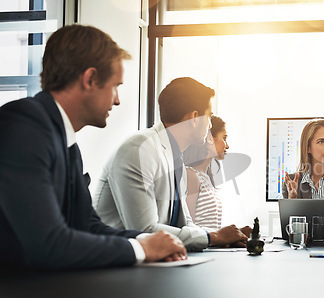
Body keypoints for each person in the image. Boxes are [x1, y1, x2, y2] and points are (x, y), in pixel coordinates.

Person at [0, 25, 186, 270]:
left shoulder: (66, 144)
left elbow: (87, 226)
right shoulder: (24, 125)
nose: (117, 99)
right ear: (89, 79)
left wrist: (146, 240)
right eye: (115, 86)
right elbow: (47, 244)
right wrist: (142, 250)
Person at [93, 77, 248, 250]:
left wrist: (225, 237)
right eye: (209, 116)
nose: (210, 124)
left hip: (153, 264)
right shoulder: (140, 149)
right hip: (117, 266)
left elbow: (186, 224)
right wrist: (215, 236)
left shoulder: (176, 158)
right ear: (195, 118)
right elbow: (144, 231)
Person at [184, 116, 227, 230]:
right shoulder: (191, 176)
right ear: (209, 138)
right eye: (224, 138)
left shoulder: (206, 178)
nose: (227, 145)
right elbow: (190, 229)